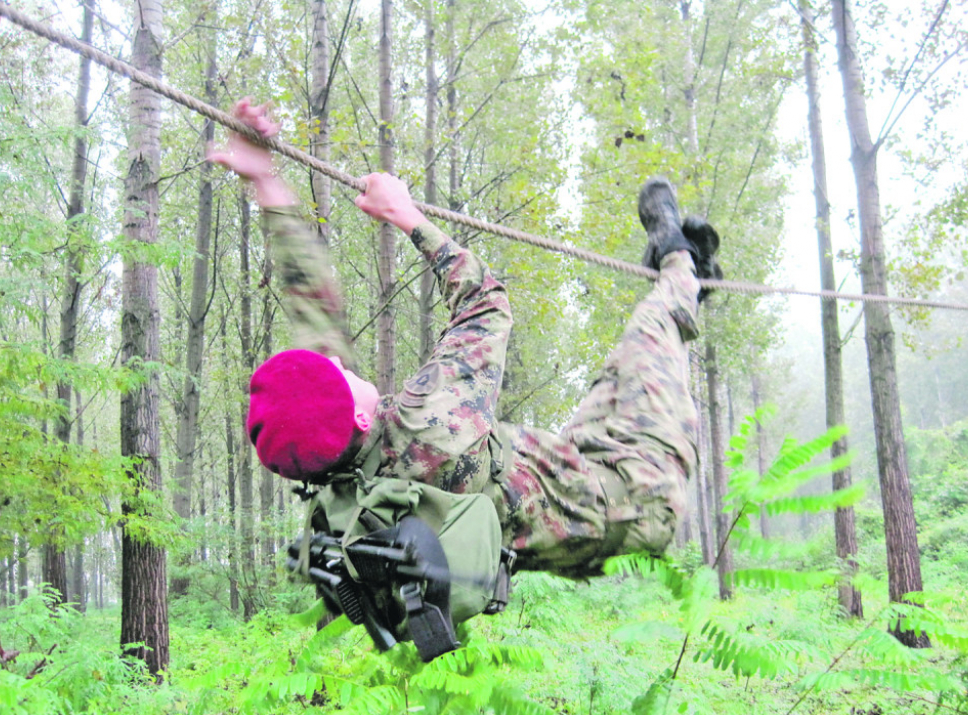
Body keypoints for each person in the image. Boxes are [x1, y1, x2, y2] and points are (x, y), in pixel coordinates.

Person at [209, 98, 720, 602]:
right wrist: (407, 217)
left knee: (618, 372)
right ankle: (680, 258)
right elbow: (486, 302)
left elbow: (312, 309)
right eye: (337, 372)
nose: (339, 361)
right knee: (652, 330)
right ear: (358, 418)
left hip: (582, 482)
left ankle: (688, 278)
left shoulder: (337, 477)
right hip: (641, 496)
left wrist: (265, 180)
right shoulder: (429, 425)